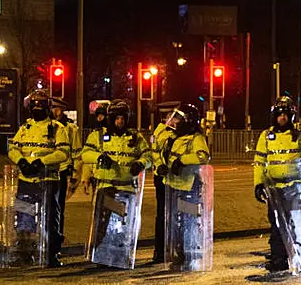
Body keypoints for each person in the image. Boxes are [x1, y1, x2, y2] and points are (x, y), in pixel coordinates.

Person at [252, 96, 301, 274]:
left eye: (286, 114)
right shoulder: (266, 135)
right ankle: (278, 260)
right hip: (274, 189)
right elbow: (259, 161)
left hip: (295, 186)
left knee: (297, 225)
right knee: (276, 226)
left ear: (292, 116)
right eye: (279, 114)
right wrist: (258, 184)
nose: (282, 117)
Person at [81, 99, 152, 266]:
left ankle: (121, 255)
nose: (120, 122)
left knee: (125, 225)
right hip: (107, 186)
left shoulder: (136, 137)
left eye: (123, 118)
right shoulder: (98, 135)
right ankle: (99, 256)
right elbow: (85, 154)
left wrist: (140, 163)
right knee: (103, 224)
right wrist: (99, 157)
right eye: (116, 118)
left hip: (127, 188)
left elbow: (149, 157)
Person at [8, 90, 71, 267]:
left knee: (51, 219)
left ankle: (52, 253)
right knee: (24, 216)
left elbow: (63, 153)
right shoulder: (25, 128)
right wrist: (21, 161)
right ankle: (25, 251)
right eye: (34, 106)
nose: (37, 109)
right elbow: (13, 148)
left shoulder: (58, 128)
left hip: (48, 179)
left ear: (47, 108)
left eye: (40, 106)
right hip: (26, 179)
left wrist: (41, 162)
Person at [156, 103, 212, 269]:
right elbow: (159, 152)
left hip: (189, 187)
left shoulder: (196, 138)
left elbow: (203, 156)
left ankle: (190, 254)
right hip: (173, 187)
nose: (176, 122)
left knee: (188, 222)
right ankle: (178, 254)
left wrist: (183, 161)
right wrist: (161, 165)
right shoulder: (173, 138)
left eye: (179, 119)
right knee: (176, 222)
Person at [50, 97, 78, 258]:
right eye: (52, 107)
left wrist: (75, 176)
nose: (54, 111)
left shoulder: (70, 129)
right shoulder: (47, 126)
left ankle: (56, 241)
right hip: (44, 172)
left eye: (56, 108)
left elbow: (76, 154)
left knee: (58, 209)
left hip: (61, 172)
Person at [151, 110, 177, 263]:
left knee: (175, 214)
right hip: (162, 178)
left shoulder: (178, 131)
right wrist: (160, 165)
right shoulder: (161, 131)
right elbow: (155, 152)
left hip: (175, 178)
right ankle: (160, 251)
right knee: (163, 214)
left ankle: (172, 249)